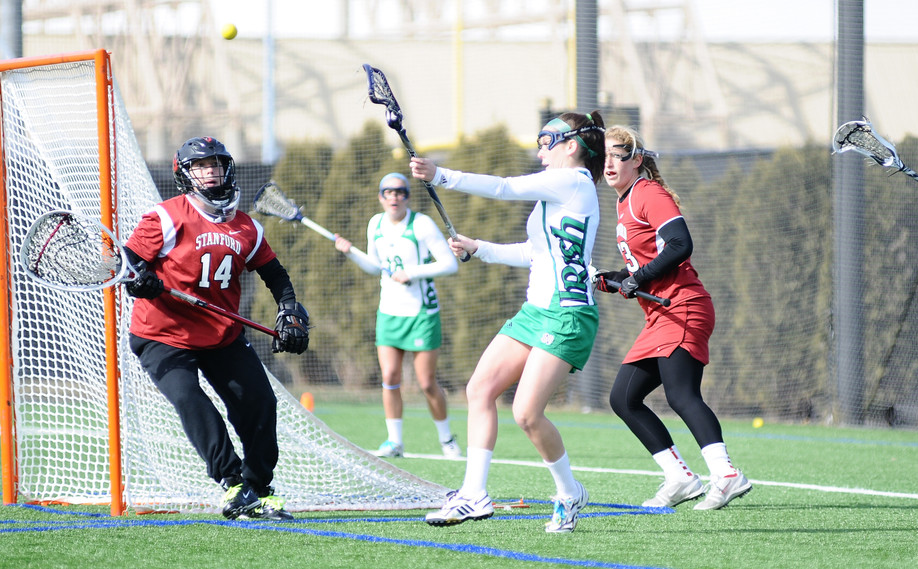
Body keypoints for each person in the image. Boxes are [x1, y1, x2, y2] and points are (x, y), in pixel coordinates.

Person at [409, 111, 606, 533]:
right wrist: (480, 248)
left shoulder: (573, 181)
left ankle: (569, 494)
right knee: (479, 389)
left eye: (546, 142)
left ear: (572, 146)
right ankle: (473, 496)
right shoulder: (558, 190)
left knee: (526, 414)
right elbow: (534, 254)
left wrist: (441, 175)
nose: (540, 151)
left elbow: (503, 187)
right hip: (535, 310)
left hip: (567, 314)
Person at [123, 136, 310, 521]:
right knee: (190, 399)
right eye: (200, 166)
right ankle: (232, 483)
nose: (210, 171)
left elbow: (276, 276)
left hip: (221, 334)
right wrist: (139, 279)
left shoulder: (247, 228)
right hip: (162, 334)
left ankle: (257, 486)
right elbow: (126, 265)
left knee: (260, 402)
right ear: (185, 175)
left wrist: (289, 309)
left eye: (215, 164)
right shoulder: (164, 217)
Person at [591, 125, 751, 510]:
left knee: (681, 394)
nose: (608, 163)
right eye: (605, 156)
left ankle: (727, 474)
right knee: (624, 399)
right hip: (660, 314)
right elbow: (643, 267)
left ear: (637, 160)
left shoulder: (648, 193)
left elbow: (681, 244)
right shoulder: (624, 201)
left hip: (682, 306)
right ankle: (680, 477)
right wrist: (612, 280)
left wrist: (638, 278)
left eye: (617, 155)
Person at [333, 172, 462, 460]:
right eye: (388, 192)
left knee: (427, 382)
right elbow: (374, 266)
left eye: (400, 192)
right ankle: (395, 442)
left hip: (421, 313)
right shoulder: (375, 224)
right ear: (381, 197)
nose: (394, 197)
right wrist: (350, 252)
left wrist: (412, 273)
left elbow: (449, 264)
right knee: (390, 377)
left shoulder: (422, 224)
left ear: (407, 196)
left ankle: (447, 439)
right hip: (389, 312)